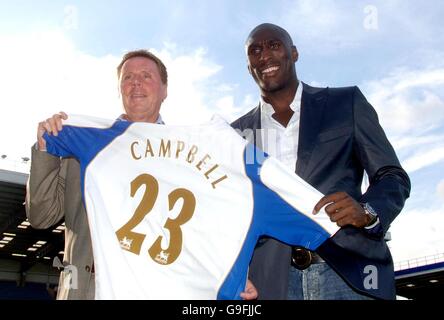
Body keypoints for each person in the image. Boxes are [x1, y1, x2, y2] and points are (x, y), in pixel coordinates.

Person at [26, 49, 257, 300]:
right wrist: (45, 148)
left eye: (146, 76)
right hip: (84, 292)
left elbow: (202, 236)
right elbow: (41, 217)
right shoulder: (81, 146)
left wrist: (232, 274)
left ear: (165, 90)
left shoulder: (189, 161)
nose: (135, 82)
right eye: (128, 77)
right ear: (119, 89)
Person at [231, 23, 411, 300]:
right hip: (271, 283)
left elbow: (391, 175)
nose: (264, 55)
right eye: (255, 51)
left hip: (347, 274)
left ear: (294, 52)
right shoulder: (234, 135)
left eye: (274, 45)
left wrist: (367, 211)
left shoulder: (345, 102)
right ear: (248, 66)